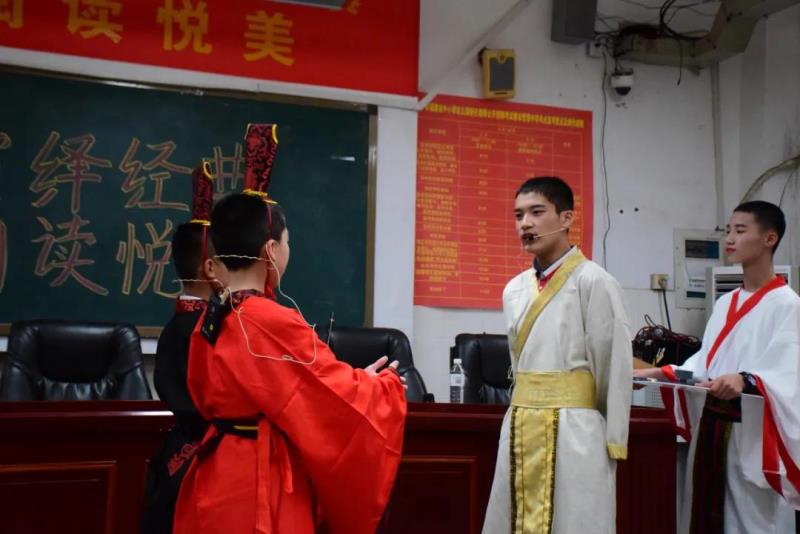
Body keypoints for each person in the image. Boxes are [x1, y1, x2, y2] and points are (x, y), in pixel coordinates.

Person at [173, 123, 407, 534]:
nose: (288, 251)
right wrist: (380, 387)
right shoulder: (271, 319)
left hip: (217, 469)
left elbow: (311, 384)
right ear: (270, 250)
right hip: (256, 479)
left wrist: (354, 382)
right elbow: (326, 394)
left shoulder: (212, 315)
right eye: (286, 242)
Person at [635, 200, 800, 534]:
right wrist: (657, 373)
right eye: (728, 230)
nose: (730, 238)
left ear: (769, 238)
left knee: (752, 521)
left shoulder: (788, 304)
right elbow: (705, 363)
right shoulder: (726, 303)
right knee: (707, 512)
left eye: (740, 230)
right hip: (713, 428)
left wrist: (745, 379)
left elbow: (789, 374)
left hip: (752, 433)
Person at [482, 176, 632, 534]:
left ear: (566, 218)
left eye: (537, 212)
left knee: (575, 518)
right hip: (521, 422)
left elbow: (613, 363)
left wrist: (612, 435)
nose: (526, 224)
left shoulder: (594, 281)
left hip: (575, 427)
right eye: (519, 215)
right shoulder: (514, 289)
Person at [141, 162, 227, 534]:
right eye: (226, 261)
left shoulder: (179, 326)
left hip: (183, 450)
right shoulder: (203, 330)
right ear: (210, 268)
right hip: (200, 459)